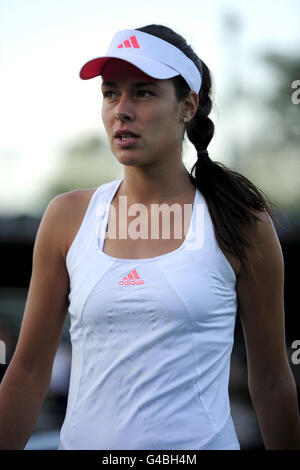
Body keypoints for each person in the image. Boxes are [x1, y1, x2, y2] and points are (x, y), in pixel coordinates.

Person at [0, 24, 300, 451]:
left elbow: (271, 379)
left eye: (142, 92)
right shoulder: (66, 218)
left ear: (187, 106)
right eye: (110, 93)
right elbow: (28, 370)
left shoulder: (243, 224)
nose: (121, 110)